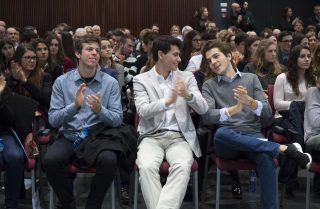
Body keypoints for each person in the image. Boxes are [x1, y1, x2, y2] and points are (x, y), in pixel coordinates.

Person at [201, 40, 312, 209]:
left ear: (229, 56)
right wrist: (234, 109)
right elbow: (208, 117)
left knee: (265, 158)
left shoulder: (251, 79)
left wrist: (251, 102)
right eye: (209, 60)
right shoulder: (209, 85)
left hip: (253, 136)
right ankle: (283, 148)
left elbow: (268, 116)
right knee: (221, 134)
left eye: (216, 56)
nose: (213, 62)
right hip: (227, 141)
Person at [43, 34, 123, 209]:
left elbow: (118, 120)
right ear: (78, 54)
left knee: (109, 161)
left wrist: (100, 111)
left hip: (98, 138)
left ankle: (92, 206)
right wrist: (74, 106)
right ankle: (69, 205)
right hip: (71, 136)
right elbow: (53, 120)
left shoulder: (110, 83)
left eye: (96, 50)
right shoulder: (61, 82)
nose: (94, 53)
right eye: (89, 49)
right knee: (50, 161)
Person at [133, 35, 208, 209]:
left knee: (182, 165)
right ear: (161, 54)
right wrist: (167, 102)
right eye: (175, 55)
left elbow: (203, 108)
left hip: (179, 137)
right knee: (146, 166)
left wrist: (188, 95)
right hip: (151, 136)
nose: (179, 59)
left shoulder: (186, 77)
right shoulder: (141, 79)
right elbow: (143, 111)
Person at [0, 72, 38, 209]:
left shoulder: (7, 94)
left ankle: (11, 204)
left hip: (6, 133)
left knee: (15, 156)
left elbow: (8, 120)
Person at [273, 45, 315, 113]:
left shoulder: (313, 79)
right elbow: (277, 104)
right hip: (286, 117)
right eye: (302, 56)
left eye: (309, 56)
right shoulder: (282, 78)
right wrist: (301, 104)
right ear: (294, 59)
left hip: (308, 116)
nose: (307, 59)